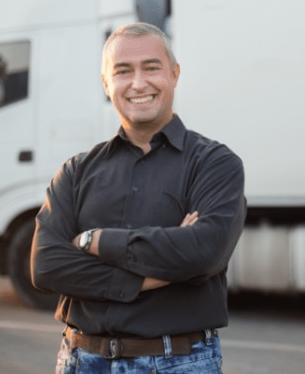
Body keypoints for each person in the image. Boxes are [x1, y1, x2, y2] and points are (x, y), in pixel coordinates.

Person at [31, 22, 246, 374]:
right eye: (123, 71)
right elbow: (46, 265)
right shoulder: (76, 171)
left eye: (151, 68)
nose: (138, 83)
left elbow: (203, 253)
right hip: (81, 359)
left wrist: (93, 241)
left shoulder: (215, 164)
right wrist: (159, 269)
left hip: (179, 362)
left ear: (174, 75)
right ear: (106, 84)